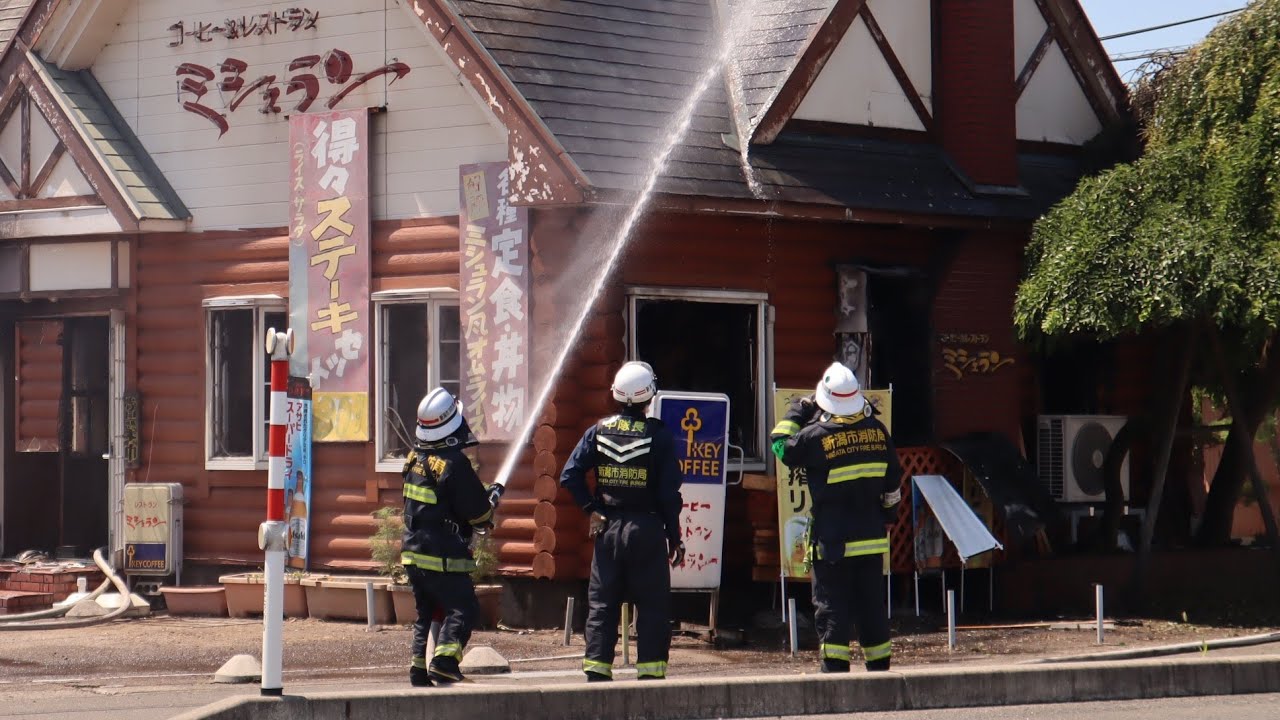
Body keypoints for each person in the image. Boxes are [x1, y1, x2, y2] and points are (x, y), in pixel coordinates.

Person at [770, 362, 901, 673]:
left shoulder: (816, 436)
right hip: (870, 540)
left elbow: (780, 445)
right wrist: (886, 516)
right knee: (871, 607)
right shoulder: (878, 433)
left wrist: (798, 411)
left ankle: (836, 675)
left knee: (833, 609)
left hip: (832, 542)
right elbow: (893, 485)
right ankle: (880, 672)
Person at [559, 361, 685, 682]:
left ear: (616, 394)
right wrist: (675, 536)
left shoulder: (597, 431)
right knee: (652, 606)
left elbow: (570, 475)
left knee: (602, 605)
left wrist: (591, 509)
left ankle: (597, 673)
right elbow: (669, 495)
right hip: (647, 530)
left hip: (608, 528)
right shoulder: (659, 436)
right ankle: (650, 675)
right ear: (649, 396)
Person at [401, 387, 501, 687]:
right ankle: (444, 663)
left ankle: (419, 669)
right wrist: (490, 501)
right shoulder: (454, 463)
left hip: (413, 551)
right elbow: (479, 514)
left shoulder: (414, 458)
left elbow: (437, 502)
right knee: (463, 608)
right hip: (441, 553)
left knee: (427, 612)